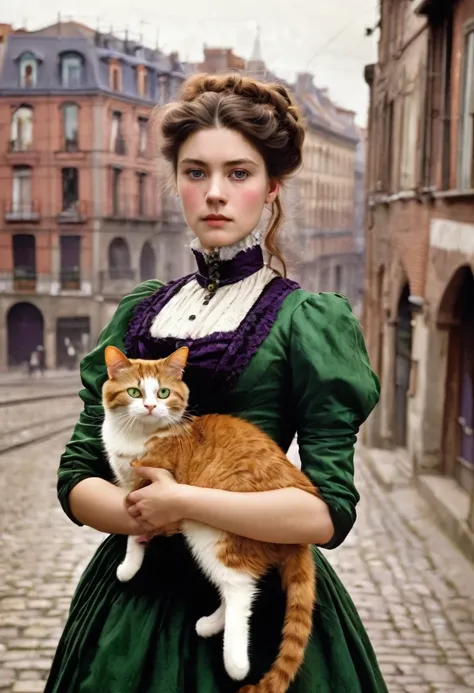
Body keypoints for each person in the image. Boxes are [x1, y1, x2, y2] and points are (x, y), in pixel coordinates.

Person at [45, 73, 387, 693]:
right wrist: (138, 515)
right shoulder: (141, 312)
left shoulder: (306, 321)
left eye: (239, 173)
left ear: (272, 187)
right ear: (176, 183)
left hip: (255, 596)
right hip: (133, 606)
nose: (215, 194)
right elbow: (76, 475)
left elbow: (326, 513)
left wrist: (185, 504)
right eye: (196, 172)